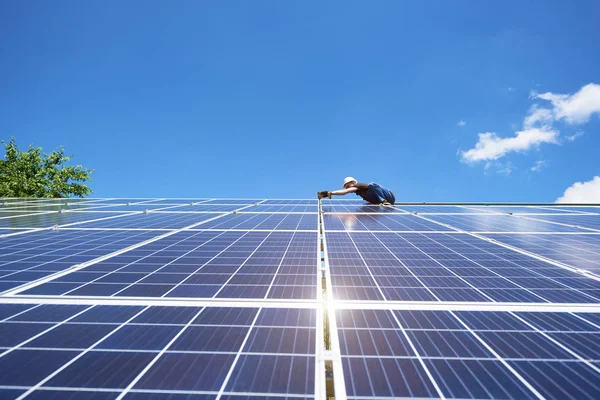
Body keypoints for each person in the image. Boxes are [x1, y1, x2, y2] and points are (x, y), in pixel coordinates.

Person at [319, 177, 396, 205]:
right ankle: (382, 202)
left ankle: (384, 201)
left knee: (372, 184)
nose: (347, 189)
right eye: (346, 187)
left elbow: (344, 192)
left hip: (388, 197)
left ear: (353, 183)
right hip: (379, 202)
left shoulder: (358, 186)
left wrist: (330, 193)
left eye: (348, 186)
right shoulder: (359, 193)